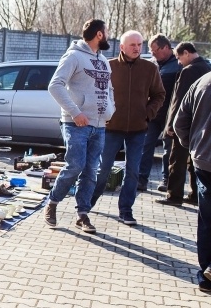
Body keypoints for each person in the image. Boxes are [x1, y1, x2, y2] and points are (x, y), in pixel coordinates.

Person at [44, 18, 115, 233]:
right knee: (75, 166)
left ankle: (82, 214)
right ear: (99, 35)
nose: (108, 36)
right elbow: (55, 85)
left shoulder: (103, 60)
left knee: (91, 171)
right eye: (107, 32)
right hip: (76, 125)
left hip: (100, 125)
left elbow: (109, 89)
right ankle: (52, 203)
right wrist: (76, 112)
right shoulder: (73, 56)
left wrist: (110, 110)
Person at [89, 31, 165, 226]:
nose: (136, 48)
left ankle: (125, 210)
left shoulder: (150, 68)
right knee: (103, 170)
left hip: (138, 130)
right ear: (122, 47)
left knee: (132, 172)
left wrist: (148, 113)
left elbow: (159, 94)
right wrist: (103, 114)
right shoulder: (109, 66)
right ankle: (86, 205)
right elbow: (96, 92)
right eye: (132, 44)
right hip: (111, 128)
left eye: (139, 44)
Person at [156, 42, 211, 207]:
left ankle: (174, 195)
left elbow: (179, 99)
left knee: (177, 160)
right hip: (202, 124)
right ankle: (195, 194)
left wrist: (171, 125)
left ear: (186, 53)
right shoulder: (207, 67)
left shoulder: (188, 71)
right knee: (195, 161)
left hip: (185, 123)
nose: (179, 62)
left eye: (179, 57)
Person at [173, 71, 211, 293]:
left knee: (207, 219)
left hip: (204, 161)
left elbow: (180, 122)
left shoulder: (202, 81)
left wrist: (193, 146)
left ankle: (206, 275)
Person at [138, 34, 181, 191]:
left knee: (169, 149)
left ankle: (167, 181)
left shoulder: (179, 64)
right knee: (145, 146)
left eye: (154, 49)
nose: (152, 53)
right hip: (153, 114)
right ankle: (141, 179)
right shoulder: (152, 64)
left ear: (165, 48)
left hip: (171, 115)